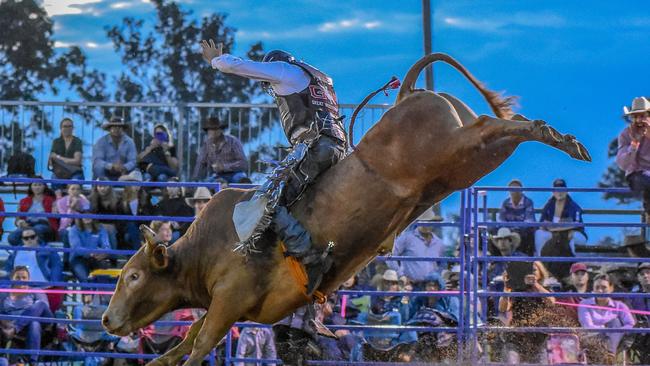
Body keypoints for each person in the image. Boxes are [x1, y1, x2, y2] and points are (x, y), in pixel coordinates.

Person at [201, 41, 347, 294]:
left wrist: (217, 60)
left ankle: (311, 257)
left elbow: (238, 67)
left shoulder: (284, 71)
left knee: (270, 201)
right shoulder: (321, 80)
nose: (270, 88)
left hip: (315, 148)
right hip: (338, 147)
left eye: (268, 83)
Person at [0, 267, 54, 364]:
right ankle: (32, 361)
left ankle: (15, 329)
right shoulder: (4, 293)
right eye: (18, 277)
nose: (21, 280)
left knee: (39, 305)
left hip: (41, 323)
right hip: (12, 325)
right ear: (12, 279)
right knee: (34, 323)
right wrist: (5, 322)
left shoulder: (36, 291)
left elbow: (44, 308)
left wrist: (15, 327)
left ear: (29, 279)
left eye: (24, 277)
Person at [578, 274, 635, 358]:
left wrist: (617, 331)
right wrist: (608, 330)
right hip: (592, 338)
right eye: (597, 287)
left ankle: (609, 354)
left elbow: (630, 323)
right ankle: (609, 355)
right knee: (614, 326)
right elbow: (588, 326)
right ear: (593, 289)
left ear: (611, 288)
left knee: (615, 322)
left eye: (604, 287)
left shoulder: (619, 305)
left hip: (614, 340)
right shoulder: (584, 304)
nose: (600, 291)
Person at [616, 97, 650, 222]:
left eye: (642, 116)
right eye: (635, 117)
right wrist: (634, 144)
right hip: (637, 176)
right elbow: (623, 164)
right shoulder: (626, 135)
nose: (638, 121)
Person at [534, 178, 587, 257]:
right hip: (555, 235)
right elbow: (542, 224)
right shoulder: (549, 206)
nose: (559, 192)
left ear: (566, 191)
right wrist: (560, 227)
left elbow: (576, 224)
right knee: (539, 234)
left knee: (572, 240)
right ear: (553, 192)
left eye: (562, 189)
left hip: (572, 234)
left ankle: (574, 266)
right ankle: (540, 263)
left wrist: (553, 227)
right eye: (557, 190)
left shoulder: (573, 206)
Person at [192, 116, 249, 183]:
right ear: (207, 131)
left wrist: (224, 167)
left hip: (236, 174)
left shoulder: (233, 141)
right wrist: (194, 179)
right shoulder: (206, 144)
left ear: (221, 130)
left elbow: (243, 163)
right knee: (210, 183)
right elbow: (200, 163)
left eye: (215, 129)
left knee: (241, 180)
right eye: (210, 129)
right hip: (218, 176)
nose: (213, 132)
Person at [8, 178, 58, 246]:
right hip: (27, 225)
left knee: (36, 231)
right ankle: (25, 249)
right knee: (12, 237)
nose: (37, 187)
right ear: (31, 187)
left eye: (40, 185)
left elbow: (56, 217)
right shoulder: (23, 201)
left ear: (44, 186)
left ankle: (36, 250)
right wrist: (20, 222)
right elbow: (17, 219)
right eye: (35, 185)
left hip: (44, 225)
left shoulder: (51, 200)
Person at [497, 179, 536, 255]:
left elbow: (529, 220)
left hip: (523, 230)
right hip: (508, 230)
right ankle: (495, 260)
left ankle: (527, 259)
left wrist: (516, 229)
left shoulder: (528, 202)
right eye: (512, 189)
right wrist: (508, 229)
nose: (514, 191)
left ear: (521, 190)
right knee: (494, 231)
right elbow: (501, 219)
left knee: (529, 233)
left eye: (517, 189)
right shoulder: (506, 203)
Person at [68, 218, 111, 282]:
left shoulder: (100, 228)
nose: (87, 216)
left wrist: (104, 253)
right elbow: (76, 248)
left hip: (96, 258)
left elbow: (107, 247)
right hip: (78, 259)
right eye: (84, 213)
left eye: (89, 213)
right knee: (85, 280)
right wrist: (91, 252)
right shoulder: (74, 229)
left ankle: (102, 290)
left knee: (104, 276)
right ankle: (87, 290)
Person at [118, 170, 153, 249]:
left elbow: (151, 211)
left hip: (143, 226)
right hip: (128, 228)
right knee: (131, 227)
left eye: (138, 183)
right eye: (133, 182)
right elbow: (121, 218)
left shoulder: (147, 197)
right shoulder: (122, 199)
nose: (136, 185)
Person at [48, 117, 84, 193]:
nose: (67, 128)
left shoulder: (77, 141)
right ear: (61, 128)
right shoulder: (56, 142)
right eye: (65, 126)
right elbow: (51, 162)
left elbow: (77, 161)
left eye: (69, 126)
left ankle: (72, 203)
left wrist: (58, 157)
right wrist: (69, 160)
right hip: (59, 173)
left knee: (75, 185)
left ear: (73, 128)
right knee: (54, 181)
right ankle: (59, 202)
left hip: (75, 172)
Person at [88, 178, 121, 249]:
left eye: (105, 186)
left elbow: (120, 217)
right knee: (103, 230)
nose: (103, 188)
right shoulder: (90, 199)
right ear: (96, 187)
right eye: (100, 186)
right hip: (96, 225)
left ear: (109, 187)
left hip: (113, 226)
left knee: (110, 230)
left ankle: (112, 256)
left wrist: (113, 226)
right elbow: (89, 216)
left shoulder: (117, 199)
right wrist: (101, 225)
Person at [630, 262, 650, 364]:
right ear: (638, 278)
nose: (645, 276)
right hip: (642, 334)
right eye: (642, 274)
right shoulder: (634, 297)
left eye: (648, 272)